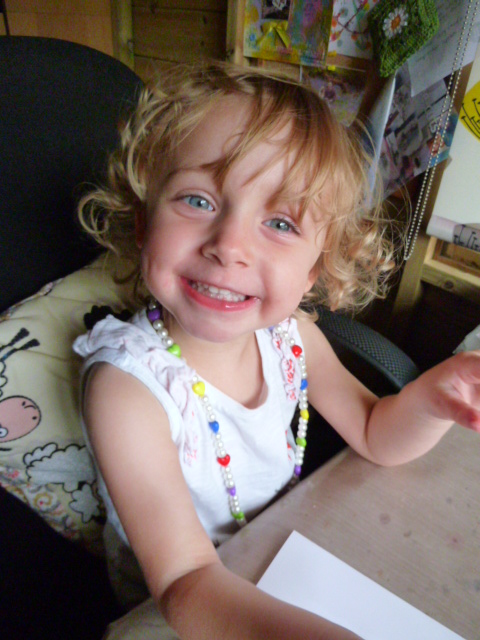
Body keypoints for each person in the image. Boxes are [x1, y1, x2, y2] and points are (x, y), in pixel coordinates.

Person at [73, 62, 480, 640]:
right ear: (143, 223)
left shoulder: (291, 338)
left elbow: (374, 432)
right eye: (197, 200)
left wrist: (432, 400)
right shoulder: (126, 389)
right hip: (183, 605)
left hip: (281, 551)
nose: (229, 245)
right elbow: (185, 579)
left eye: (282, 223)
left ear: (314, 270)